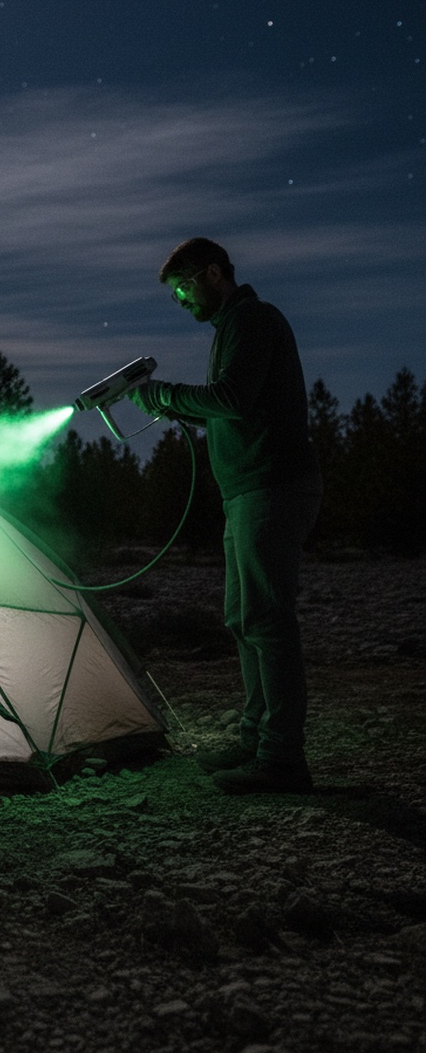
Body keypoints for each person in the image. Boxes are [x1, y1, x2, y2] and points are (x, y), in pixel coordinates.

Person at [130, 237, 322, 795]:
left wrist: (162, 397)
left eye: (185, 288)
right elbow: (234, 403)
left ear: (214, 274)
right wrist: (172, 403)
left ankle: (282, 759)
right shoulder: (232, 329)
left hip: (273, 487)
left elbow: (233, 398)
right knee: (244, 618)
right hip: (248, 494)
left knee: (268, 619)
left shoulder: (254, 320)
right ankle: (256, 739)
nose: (182, 301)